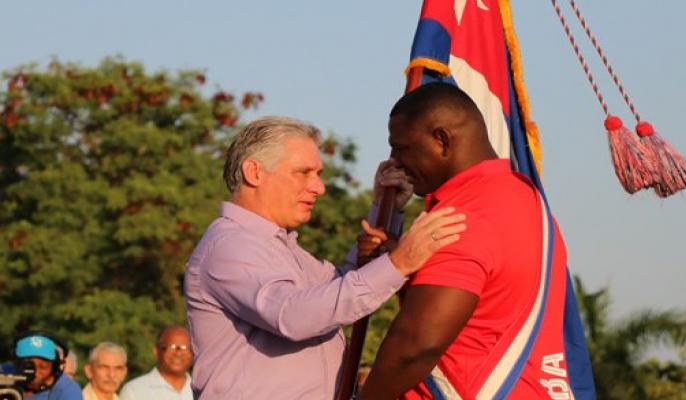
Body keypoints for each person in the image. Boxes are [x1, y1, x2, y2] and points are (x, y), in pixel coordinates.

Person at [184, 116, 466, 399]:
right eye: (303, 172)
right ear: (254, 172)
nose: (318, 187)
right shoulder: (230, 246)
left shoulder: (279, 246)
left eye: (317, 174)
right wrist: (400, 262)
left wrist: (386, 210)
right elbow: (293, 316)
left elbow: (338, 292)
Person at [359, 82, 594, 399]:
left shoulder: (462, 218)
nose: (396, 161)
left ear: (441, 140)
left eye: (401, 148)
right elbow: (489, 305)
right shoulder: (526, 200)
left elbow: (417, 346)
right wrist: (396, 261)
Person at [119, 326, 193, 400]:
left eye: (185, 348)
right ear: (156, 351)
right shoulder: (134, 391)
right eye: (171, 347)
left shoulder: (201, 388)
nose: (178, 353)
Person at [14, 331, 82, 400]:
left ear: (56, 367)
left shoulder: (67, 389)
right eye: (28, 366)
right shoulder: (7, 374)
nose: (35, 372)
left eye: (42, 367)